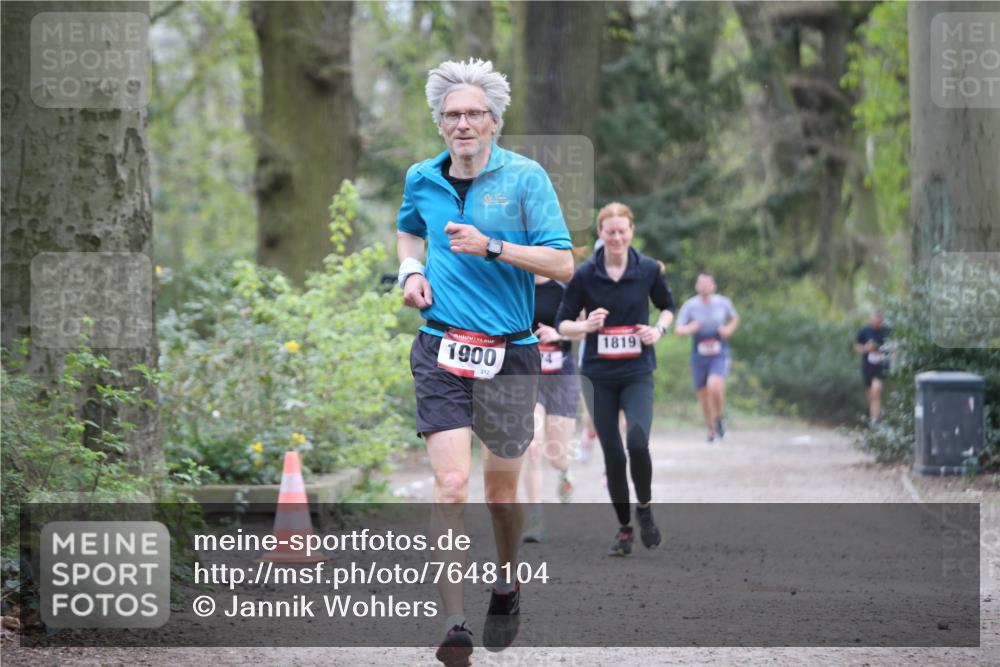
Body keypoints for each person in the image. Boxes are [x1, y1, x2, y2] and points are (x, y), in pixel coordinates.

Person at [396, 59, 573, 666]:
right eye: (452, 115)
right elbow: (408, 232)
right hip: (440, 345)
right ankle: (453, 622)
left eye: (474, 113)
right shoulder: (422, 176)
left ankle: (505, 581)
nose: (463, 123)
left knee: (500, 490)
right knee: (449, 484)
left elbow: (563, 264)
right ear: (440, 124)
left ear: (494, 122)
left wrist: (494, 247)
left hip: (510, 351)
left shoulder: (526, 179)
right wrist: (411, 271)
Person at [556, 202, 675, 556]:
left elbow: (668, 306)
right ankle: (624, 527)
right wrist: (586, 326)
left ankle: (645, 509)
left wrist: (658, 330)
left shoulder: (649, 269)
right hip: (598, 375)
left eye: (623, 231)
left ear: (631, 232)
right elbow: (562, 322)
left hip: (637, 372)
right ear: (601, 235)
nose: (618, 237)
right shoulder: (586, 273)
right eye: (611, 232)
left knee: (637, 442)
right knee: (613, 454)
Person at [521, 275, 583, 542]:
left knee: (556, 454)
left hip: (560, 372)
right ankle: (535, 519)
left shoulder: (565, 288)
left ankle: (565, 471)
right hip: (526, 372)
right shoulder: (515, 281)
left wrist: (558, 333)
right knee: (532, 446)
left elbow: (585, 328)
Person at [675, 273, 740, 442]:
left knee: (715, 386)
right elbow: (679, 329)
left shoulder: (723, 302)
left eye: (708, 283)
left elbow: (735, 319)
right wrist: (691, 328)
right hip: (699, 352)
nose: (704, 286)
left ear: (713, 285)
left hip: (719, 351)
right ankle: (711, 427)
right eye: (701, 283)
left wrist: (728, 330)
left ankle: (718, 418)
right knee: (703, 394)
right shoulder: (690, 305)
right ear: (696, 286)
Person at [855, 310, 890, 423]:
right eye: (875, 319)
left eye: (879, 320)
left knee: (876, 390)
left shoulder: (887, 332)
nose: (877, 322)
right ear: (871, 319)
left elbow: (894, 347)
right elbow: (856, 347)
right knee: (872, 396)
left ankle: (875, 421)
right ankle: (876, 417)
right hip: (867, 367)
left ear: (882, 320)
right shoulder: (864, 331)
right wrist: (866, 348)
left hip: (881, 366)